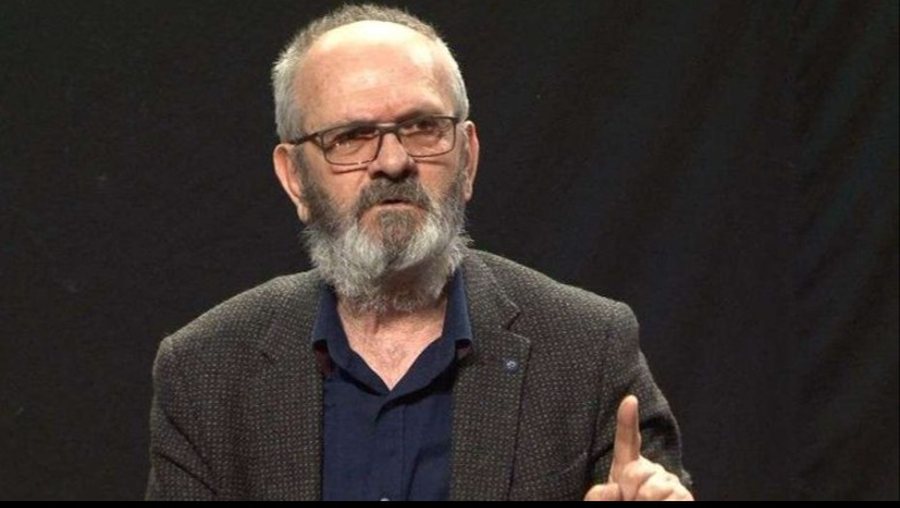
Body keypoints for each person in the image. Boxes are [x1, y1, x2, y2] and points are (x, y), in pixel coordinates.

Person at [146, 4, 693, 501]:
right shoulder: (204, 372)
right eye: (351, 136)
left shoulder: (588, 349)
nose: (392, 162)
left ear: (467, 158)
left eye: (423, 127)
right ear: (294, 179)